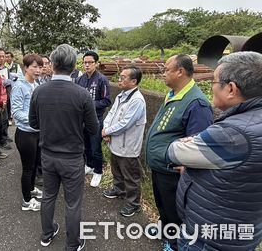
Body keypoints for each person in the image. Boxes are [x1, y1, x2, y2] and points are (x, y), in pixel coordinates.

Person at [166, 51, 262, 251]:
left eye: (214, 82)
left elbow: (176, 151)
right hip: (241, 230)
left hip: (209, 238)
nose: (211, 88)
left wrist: (194, 145)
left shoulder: (232, 133)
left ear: (231, 89)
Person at [29, 44, 98, 250]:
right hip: (72, 157)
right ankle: (72, 243)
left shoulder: (39, 91)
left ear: (53, 64)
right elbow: (94, 128)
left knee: (49, 195)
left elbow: (33, 123)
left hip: (48, 155)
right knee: (72, 202)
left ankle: (46, 234)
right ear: (74, 65)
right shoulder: (82, 94)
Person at [146, 54, 213, 251]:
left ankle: (174, 244)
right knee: (163, 204)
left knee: (174, 209)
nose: (163, 73)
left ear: (180, 71)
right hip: (160, 166)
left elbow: (199, 142)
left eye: (167, 69)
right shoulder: (174, 93)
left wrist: (186, 165)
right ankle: (165, 229)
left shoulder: (197, 103)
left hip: (172, 171)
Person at [102, 66, 146, 217]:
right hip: (116, 141)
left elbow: (126, 123)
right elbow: (111, 113)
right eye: (119, 76)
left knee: (130, 176)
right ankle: (119, 190)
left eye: (123, 77)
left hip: (128, 145)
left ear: (134, 81)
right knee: (117, 170)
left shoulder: (137, 100)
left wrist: (107, 131)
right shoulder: (122, 95)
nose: (119, 79)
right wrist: (105, 128)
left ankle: (134, 204)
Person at [11, 53, 44, 211]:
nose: (38, 70)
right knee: (28, 168)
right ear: (26, 68)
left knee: (35, 164)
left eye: (40, 67)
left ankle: (31, 189)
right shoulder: (19, 86)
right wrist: (36, 119)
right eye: (34, 67)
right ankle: (26, 201)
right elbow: (16, 113)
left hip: (36, 132)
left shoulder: (35, 84)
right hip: (25, 134)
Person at [76, 50, 111, 187]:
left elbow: (107, 101)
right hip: (82, 119)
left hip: (96, 118)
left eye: (90, 62)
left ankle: (98, 171)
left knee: (96, 146)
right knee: (86, 146)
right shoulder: (80, 79)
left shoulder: (102, 80)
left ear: (96, 64)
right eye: (85, 62)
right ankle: (89, 165)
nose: (87, 65)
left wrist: (89, 104)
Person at [0, 48, 14, 142]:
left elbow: (9, 78)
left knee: (7, 117)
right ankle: (1, 139)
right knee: (1, 119)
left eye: (3, 56)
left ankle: (5, 136)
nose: (2, 58)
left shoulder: (6, 67)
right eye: (0, 56)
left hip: (8, 94)